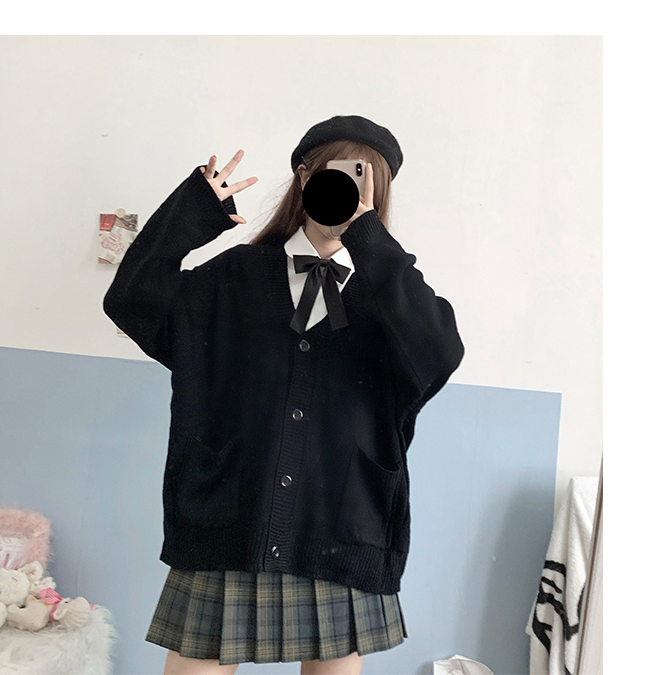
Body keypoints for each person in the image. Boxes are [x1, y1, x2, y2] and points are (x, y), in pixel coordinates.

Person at [103, 115, 465, 675]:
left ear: (379, 196)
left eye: (364, 181)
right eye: (335, 176)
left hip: (342, 527)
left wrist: (369, 239)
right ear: (304, 178)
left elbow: (440, 355)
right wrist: (189, 214)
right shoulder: (234, 276)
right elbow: (132, 300)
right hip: (230, 521)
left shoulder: (391, 297)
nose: (346, 192)